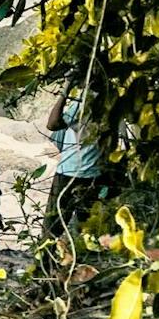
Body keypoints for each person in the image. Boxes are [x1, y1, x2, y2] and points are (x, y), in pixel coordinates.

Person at [44, 90, 104, 249]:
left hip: (69, 172)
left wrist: (65, 91)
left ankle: (45, 262)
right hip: (94, 175)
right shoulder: (111, 102)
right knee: (87, 229)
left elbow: (52, 124)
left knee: (52, 226)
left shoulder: (84, 102)